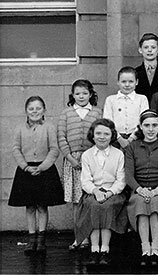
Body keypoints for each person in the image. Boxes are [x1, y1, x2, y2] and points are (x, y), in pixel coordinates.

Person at [9, 96, 64, 254]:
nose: (35, 112)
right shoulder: (19, 128)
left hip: (44, 170)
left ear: (44, 110)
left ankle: (41, 240)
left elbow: (54, 149)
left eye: (38, 108)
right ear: (26, 111)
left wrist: (42, 166)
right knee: (30, 206)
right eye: (31, 109)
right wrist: (25, 167)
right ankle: (31, 239)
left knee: (42, 205)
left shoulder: (49, 127)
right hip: (26, 171)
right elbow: (15, 149)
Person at [124, 110, 158, 267]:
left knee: (154, 203)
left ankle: (156, 249)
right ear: (140, 127)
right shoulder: (132, 147)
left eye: (154, 125)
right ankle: (145, 249)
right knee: (141, 203)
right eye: (147, 125)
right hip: (139, 189)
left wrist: (156, 190)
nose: (151, 129)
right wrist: (140, 190)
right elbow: (128, 174)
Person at [57, 80, 102, 251]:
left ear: (90, 94)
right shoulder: (66, 113)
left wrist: (91, 157)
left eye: (84, 93)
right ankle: (79, 238)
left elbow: (102, 134)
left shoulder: (97, 112)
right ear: (72, 95)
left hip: (93, 160)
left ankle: (92, 239)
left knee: (91, 200)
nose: (81, 96)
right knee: (77, 202)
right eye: (77, 94)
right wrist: (70, 157)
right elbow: (61, 137)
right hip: (73, 161)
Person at [76, 119, 128, 266]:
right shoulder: (86, 155)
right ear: (92, 135)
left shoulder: (118, 154)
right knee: (94, 205)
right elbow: (85, 180)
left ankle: (104, 249)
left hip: (113, 193)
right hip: (93, 192)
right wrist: (95, 191)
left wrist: (110, 192)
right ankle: (94, 250)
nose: (102, 137)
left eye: (106, 133)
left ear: (112, 136)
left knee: (105, 207)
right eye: (98, 133)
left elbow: (121, 180)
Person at [103, 66, 149, 148]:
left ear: (137, 82)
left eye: (131, 81)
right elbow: (108, 121)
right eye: (123, 81)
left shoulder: (142, 99)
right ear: (118, 82)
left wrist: (132, 138)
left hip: (136, 138)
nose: (127, 85)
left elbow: (144, 120)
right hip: (115, 139)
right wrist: (119, 139)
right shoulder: (110, 100)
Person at [135, 33, 158, 101]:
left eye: (153, 47)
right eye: (146, 47)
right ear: (140, 50)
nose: (149, 50)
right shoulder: (135, 73)